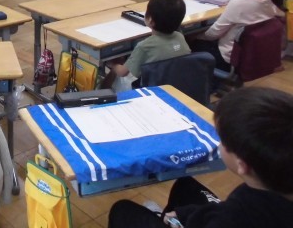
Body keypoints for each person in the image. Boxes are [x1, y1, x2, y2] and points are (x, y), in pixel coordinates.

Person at [107, 86, 293, 228]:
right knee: (186, 184)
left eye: (221, 139)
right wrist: (184, 214)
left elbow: (223, 216)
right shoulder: (266, 184)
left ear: (242, 164)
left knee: (122, 210)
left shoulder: (235, 216)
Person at [105, 0, 190, 85]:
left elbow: (122, 73)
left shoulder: (144, 46)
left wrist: (113, 64)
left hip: (151, 88)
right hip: (175, 86)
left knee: (112, 73)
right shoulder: (180, 37)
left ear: (150, 20)